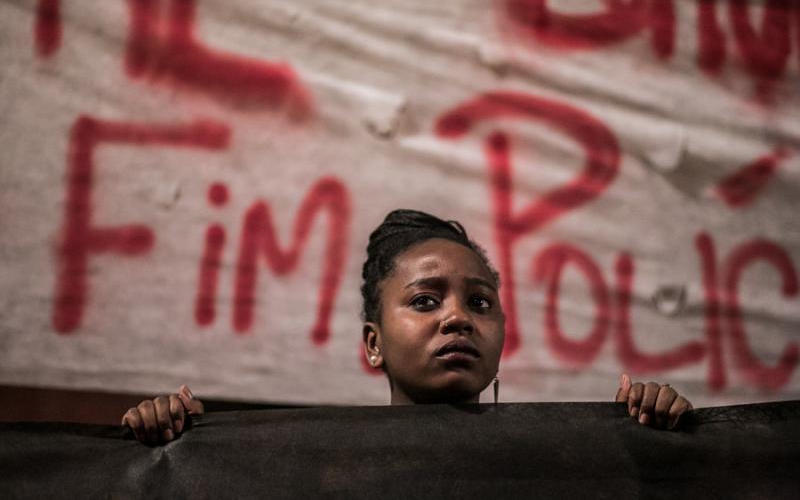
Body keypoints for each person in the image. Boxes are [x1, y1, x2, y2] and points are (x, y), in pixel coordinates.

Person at [122, 209, 693, 444]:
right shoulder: (319, 464)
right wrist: (169, 447)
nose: (457, 318)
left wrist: (663, 444)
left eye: (480, 302)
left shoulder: (564, 464)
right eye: (424, 301)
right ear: (373, 344)